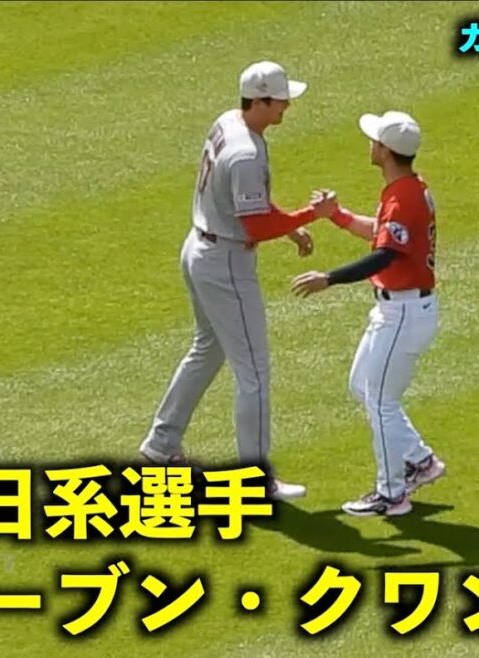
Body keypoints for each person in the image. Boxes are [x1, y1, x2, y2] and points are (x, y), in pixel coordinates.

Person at [139, 61, 338, 500]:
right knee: (255, 374)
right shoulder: (246, 152)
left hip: (199, 247)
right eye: (282, 100)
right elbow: (253, 227)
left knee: (207, 349)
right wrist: (309, 215)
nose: (287, 106)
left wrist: (287, 225)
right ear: (262, 100)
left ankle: (160, 445)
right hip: (226, 263)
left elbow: (251, 204)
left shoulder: (228, 121)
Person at [290, 110, 446, 516]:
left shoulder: (404, 196)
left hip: (404, 312)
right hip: (401, 310)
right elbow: (380, 231)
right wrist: (336, 216)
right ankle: (420, 460)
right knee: (363, 386)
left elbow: (384, 254)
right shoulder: (407, 189)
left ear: (386, 151)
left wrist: (330, 278)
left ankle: (391, 494)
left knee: (380, 401)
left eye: (375, 139)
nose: (370, 144)